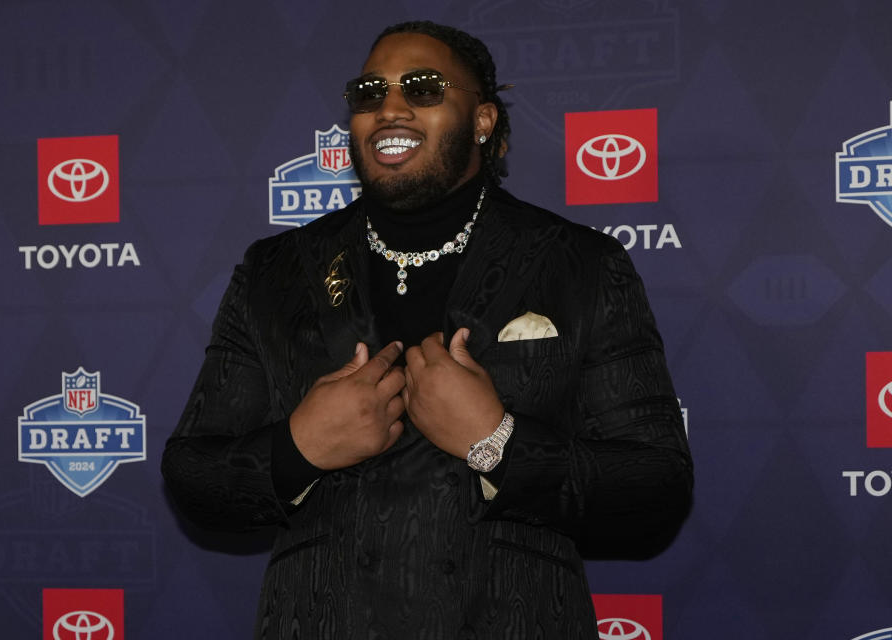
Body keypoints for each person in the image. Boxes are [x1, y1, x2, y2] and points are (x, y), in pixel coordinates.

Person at [162, 19, 693, 640]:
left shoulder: (579, 263)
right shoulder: (276, 271)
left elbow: (655, 492)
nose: (390, 108)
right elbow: (192, 477)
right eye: (369, 93)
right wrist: (296, 450)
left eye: (423, 88)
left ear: (484, 120)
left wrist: (498, 443)